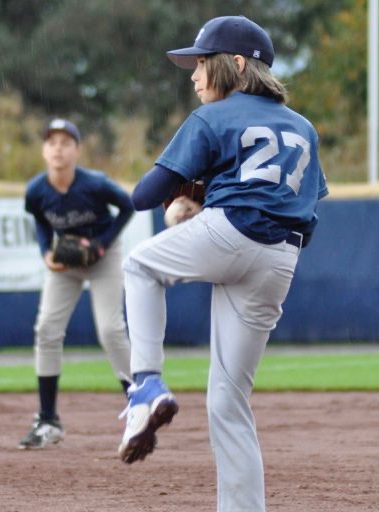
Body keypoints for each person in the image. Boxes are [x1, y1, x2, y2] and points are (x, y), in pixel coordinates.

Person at [118, 15, 329, 511]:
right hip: (282, 259)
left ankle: (145, 386)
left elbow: (142, 196)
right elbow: (310, 211)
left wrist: (194, 193)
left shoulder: (216, 116)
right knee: (229, 403)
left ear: (235, 65)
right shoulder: (303, 126)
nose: (193, 75)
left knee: (141, 267)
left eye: (201, 64)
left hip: (230, 232)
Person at [19, 118, 134, 449]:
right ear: (44, 150)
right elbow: (40, 220)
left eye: (65, 142)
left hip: (104, 258)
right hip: (67, 262)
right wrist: (44, 252)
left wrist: (102, 244)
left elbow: (127, 206)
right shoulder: (37, 190)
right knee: (46, 330)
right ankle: (47, 421)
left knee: (111, 330)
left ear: (77, 150)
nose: (58, 148)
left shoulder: (95, 183)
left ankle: (141, 405)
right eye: (52, 142)